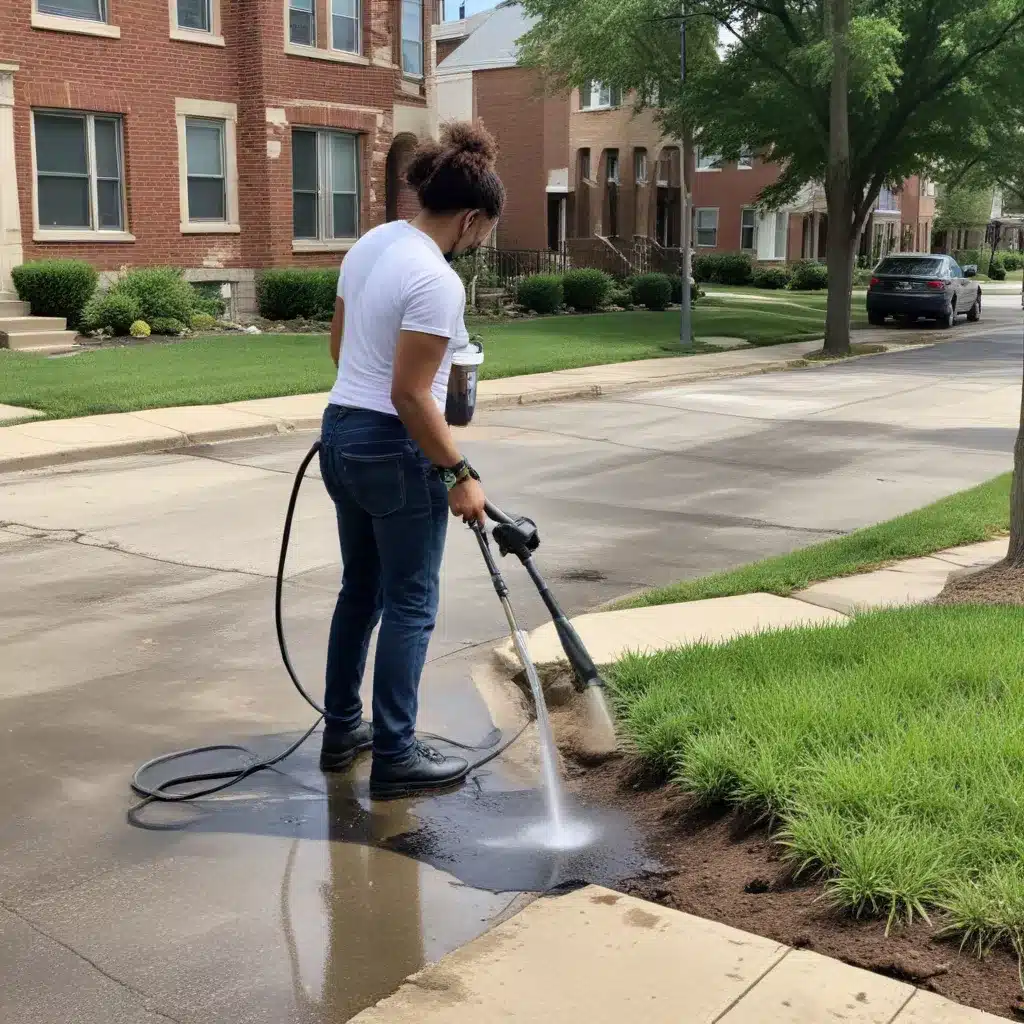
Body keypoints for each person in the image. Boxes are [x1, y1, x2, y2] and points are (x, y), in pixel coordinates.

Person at [317, 121, 505, 800]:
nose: (481, 244)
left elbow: (342, 352)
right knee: (411, 603)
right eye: (484, 232)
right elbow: (408, 392)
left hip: (339, 434)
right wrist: (459, 473)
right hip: (392, 450)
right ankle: (395, 753)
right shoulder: (436, 280)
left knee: (360, 591)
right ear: (472, 219)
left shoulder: (371, 245)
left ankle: (343, 733)